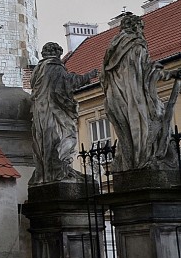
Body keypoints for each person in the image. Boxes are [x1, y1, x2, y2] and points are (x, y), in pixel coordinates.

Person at [102, 12, 181, 172]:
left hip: (116, 99)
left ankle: (131, 166)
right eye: (141, 27)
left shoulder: (111, 49)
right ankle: (146, 162)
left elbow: (104, 78)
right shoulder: (136, 46)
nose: (142, 30)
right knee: (154, 120)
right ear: (136, 26)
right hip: (135, 98)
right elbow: (147, 72)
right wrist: (170, 74)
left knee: (127, 136)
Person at [30, 41, 96, 184]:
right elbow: (68, 82)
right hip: (53, 110)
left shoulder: (37, 70)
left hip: (39, 112)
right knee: (67, 136)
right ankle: (61, 169)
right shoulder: (54, 67)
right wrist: (88, 76)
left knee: (44, 143)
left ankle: (47, 172)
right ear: (57, 53)